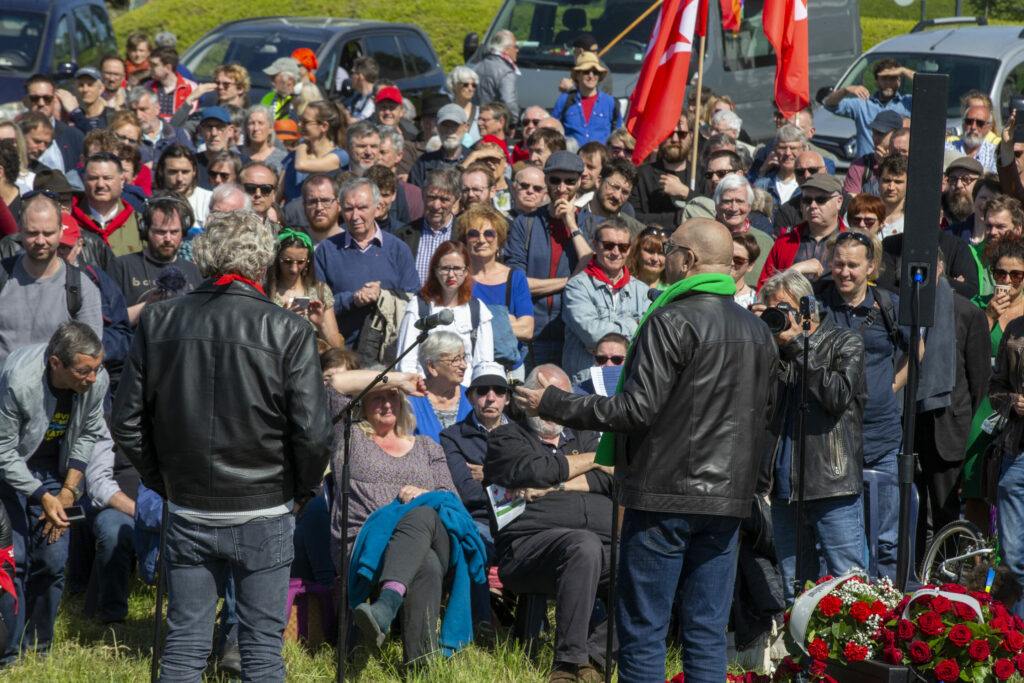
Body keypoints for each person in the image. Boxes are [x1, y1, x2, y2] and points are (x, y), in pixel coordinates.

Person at [513, 218, 777, 683]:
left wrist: (552, 402)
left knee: (643, 632)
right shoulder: (757, 331)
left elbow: (636, 410)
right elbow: (766, 417)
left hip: (663, 498)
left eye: (670, 248)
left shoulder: (670, 318)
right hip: (727, 501)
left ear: (688, 260)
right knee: (706, 633)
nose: (661, 254)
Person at [112, 210, 332, 680]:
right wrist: (301, 491)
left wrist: (166, 481)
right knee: (260, 652)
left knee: (185, 646)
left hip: (193, 504)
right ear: (263, 263)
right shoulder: (287, 328)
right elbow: (314, 435)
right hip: (262, 507)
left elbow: (127, 422)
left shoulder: (161, 319)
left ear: (206, 256)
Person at [325, 379, 480, 666]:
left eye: (393, 397)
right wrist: (394, 378)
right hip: (368, 542)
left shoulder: (427, 446)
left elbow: (451, 498)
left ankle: (386, 606)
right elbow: (329, 385)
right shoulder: (350, 438)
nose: (386, 404)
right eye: (376, 398)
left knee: (421, 514)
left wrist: (425, 495)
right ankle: (421, 665)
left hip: (432, 532)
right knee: (427, 564)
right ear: (360, 404)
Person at [486, 364, 613, 682]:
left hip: (601, 543)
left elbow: (615, 479)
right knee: (583, 545)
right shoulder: (506, 437)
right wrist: (596, 460)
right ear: (526, 397)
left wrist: (561, 482)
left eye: (561, 397)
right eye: (546, 395)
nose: (554, 404)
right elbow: (535, 470)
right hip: (530, 550)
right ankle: (568, 664)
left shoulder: (582, 436)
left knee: (649, 555)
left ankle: (595, 660)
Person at [757, 269, 867, 603]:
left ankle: (854, 656)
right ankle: (801, 656)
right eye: (771, 310)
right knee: (795, 587)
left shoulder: (845, 342)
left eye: (783, 309)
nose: (779, 317)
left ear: (806, 307)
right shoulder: (773, 350)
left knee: (848, 583)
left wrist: (799, 346)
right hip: (784, 486)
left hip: (831, 481)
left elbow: (837, 396)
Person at [0, 322, 108, 661]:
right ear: (55, 364)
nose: (92, 378)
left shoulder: (96, 380)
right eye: (83, 371)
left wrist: (66, 493)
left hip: (55, 472)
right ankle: (9, 652)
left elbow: (89, 434)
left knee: (53, 559)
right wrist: (41, 497)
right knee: (13, 561)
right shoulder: (19, 380)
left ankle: (40, 647)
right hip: (11, 468)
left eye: (97, 369)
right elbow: (3, 450)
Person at [817, 230, 908, 580]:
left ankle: (885, 613)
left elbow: (915, 352)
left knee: (886, 538)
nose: (844, 272)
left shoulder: (889, 305)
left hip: (881, 436)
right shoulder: (820, 303)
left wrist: (889, 386)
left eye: (853, 265)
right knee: (835, 539)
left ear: (871, 266)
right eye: (838, 263)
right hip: (831, 440)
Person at [912, 249, 990, 554]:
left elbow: (979, 382)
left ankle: (946, 578)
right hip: (910, 424)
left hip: (948, 427)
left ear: (941, 266)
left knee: (946, 511)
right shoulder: (899, 306)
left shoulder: (967, 313)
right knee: (913, 508)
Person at [314, 177, 419, 347]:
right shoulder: (326, 250)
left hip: (388, 351)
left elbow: (413, 300)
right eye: (349, 209)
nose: (355, 216)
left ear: (377, 208)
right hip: (343, 352)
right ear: (340, 210)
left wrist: (382, 296)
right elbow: (317, 305)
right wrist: (352, 299)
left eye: (362, 208)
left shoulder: (398, 249)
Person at [562, 218, 649, 382]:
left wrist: (605, 335)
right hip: (586, 383)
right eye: (609, 245)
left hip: (627, 382)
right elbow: (592, 334)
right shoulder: (577, 286)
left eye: (623, 247)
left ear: (629, 250)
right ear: (595, 245)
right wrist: (634, 326)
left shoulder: (642, 290)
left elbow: (648, 338)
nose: (616, 252)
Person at [396, 241, 494, 383]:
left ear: (466, 271)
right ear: (435, 270)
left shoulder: (478, 309)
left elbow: (484, 364)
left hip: (466, 395)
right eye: (445, 268)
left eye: (457, 269)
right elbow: (406, 363)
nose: (451, 275)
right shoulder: (418, 307)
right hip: (425, 393)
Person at [458, 204, 533, 377]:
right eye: (474, 234)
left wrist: (476, 324)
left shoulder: (515, 278)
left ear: (499, 239)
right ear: (465, 239)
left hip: (508, 369)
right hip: (467, 367)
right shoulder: (458, 279)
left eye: (489, 234)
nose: (482, 239)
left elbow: (527, 330)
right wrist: (503, 320)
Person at [105, 194, 202, 326]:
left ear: (183, 232)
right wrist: (148, 305)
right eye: (160, 232)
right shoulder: (121, 267)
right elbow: (110, 320)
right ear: (145, 230)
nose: (168, 239)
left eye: (174, 232)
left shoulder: (193, 270)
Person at [758, 173, 846, 289]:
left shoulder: (852, 242)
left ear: (839, 201)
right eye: (807, 200)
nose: (813, 205)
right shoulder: (785, 242)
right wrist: (795, 270)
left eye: (821, 200)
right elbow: (764, 290)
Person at [264, 228, 344, 349]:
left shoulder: (320, 290)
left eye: (301, 262)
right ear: (276, 259)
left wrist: (321, 324)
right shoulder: (264, 293)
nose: (294, 269)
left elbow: (337, 347)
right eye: (287, 261)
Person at [823, 57, 914, 158]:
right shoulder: (863, 104)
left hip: (896, 166)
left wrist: (904, 71)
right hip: (866, 167)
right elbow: (829, 103)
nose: (888, 83)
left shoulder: (908, 103)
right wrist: (846, 90)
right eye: (884, 78)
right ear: (876, 81)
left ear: (899, 81)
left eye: (893, 78)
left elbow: (931, 91)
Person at [395, 168, 461, 286]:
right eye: (431, 197)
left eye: (444, 199)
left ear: (456, 200)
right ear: (422, 195)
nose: (436, 206)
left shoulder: (465, 236)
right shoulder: (402, 236)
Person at [406, 331, 474, 443]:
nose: (464, 366)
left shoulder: (472, 399)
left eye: (463, 358)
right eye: (456, 360)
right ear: (432, 366)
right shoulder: (410, 402)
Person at [629, 113, 693, 228]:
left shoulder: (701, 175)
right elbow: (632, 217)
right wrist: (676, 218)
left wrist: (686, 192)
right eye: (669, 133)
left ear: (691, 135)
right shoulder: (641, 175)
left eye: (682, 134)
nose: (674, 139)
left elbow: (711, 211)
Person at [715, 174, 774, 289]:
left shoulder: (765, 242)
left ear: (750, 206)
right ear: (717, 204)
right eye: (727, 201)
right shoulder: (704, 236)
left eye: (740, 201)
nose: (734, 208)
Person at [552, 53, 621, 147]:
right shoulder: (564, 100)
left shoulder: (611, 103)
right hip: (572, 158)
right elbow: (553, 131)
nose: (591, 76)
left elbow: (619, 135)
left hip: (601, 159)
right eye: (586, 72)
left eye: (595, 72)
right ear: (577, 75)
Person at [841, 110, 904, 197]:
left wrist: (886, 166)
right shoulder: (860, 165)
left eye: (881, 133)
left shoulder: (906, 165)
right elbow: (852, 204)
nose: (875, 138)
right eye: (874, 132)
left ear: (896, 134)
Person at [409, 105, 471, 189]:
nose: (449, 131)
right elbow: (414, 196)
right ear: (437, 127)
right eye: (445, 125)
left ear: (466, 127)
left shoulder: (474, 160)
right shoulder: (423, 163)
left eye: (455, 125)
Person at [580, 160, 644, 239]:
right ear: (599, 181)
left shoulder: (637, 233)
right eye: (614, 186)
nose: (617, 196)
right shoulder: (574, 220)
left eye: (625, 192)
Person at [154, 144, 212, 230]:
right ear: (161, 171)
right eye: (173, 172)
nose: (179, 179)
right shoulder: (153, 202)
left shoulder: (209, 201)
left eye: (185, 172)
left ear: (194, 171)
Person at [473, 30, 521, 121]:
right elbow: (509, 102)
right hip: (495, 123)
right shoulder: (506, 72)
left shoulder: (477, 67)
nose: (517, 50)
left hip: (476, 121)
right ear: (506, 49)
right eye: (515, 47)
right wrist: (513, 122)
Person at [147, 47, 196, 120]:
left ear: (168, 68)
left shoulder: (190, 87)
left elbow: (189, 118)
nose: (149, 68)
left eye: (154, 65)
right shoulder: (147, 87)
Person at [946, 102, 997, 172]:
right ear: (963, 124)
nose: (973, 127)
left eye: (980, 123)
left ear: (989, 128)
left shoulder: (994, 153)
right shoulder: (947, 149)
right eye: (969, 121)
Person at [301, 173, 344, 244]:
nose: (319, 208)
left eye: (325, 201)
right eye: (312, 202)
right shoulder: (296, 248)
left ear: (339, 204)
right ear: (304, 206)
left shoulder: (352, 245)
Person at [70, 67, 115, 133]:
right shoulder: (72, 118)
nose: (85, 89)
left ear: (101, 89)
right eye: (81, 85)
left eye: (90, 85)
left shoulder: (112, 117)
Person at [624, 225, 668, 291]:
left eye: (661, 253)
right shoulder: (624, 286)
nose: (655, 259)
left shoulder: (672, 291)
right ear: (637, 251)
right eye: (650, 251)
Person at [447, 66, 481, 146]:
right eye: (465, 85)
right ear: (454, 85)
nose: (470, 88)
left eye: (474, 85)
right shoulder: (446, 112)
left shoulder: (481, 112)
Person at [877, 153, 908, 238]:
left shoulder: (915, 219)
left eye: (898, 182)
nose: (891, 187)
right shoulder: (862, 216)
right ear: (878, 181)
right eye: (886, 181)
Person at [343, 57, 379, 121]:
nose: (350, 76)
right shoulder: (357, 96)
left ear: (360, 77)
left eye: (352, 73)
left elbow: (362, 122)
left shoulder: (373, 99)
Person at [731, 233, 760, 308]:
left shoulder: (756, 301)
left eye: (738, 260)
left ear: (750, 266)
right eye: (728, 256)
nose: (731, 262)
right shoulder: (707, 290)